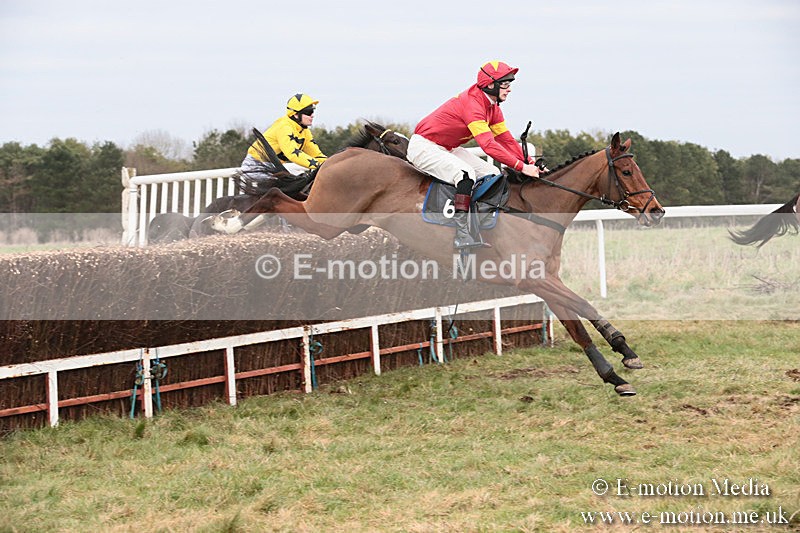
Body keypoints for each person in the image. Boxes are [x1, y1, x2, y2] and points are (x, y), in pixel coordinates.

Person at [407, 61, 542, 249]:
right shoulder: (473, 104)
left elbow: (506, 140)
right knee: (465, 174)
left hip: (448, 147)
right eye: (505, 84)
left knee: (492, 174)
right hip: (424, 147)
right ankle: (461, 234)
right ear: (490, 84)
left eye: (510, 84)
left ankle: (478, 223)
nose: (509, 89)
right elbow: (488, 146)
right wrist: (521, 167)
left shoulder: (493, 107)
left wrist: (528, 162)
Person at [241, 93, 328, 178]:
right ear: (296, 114)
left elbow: (316, 154)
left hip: (275, 167)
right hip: (255, 166)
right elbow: (292, 154)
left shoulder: (304, 131)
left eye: (313, 111)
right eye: (309, 112)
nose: (312, 115)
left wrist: (331, 164)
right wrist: (319, 165)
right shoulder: (284, 127)